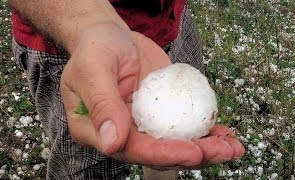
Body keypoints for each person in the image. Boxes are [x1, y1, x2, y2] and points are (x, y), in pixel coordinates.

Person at [9, 0, 245, 179]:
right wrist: (92, 24)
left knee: (171, 154)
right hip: (72, 38)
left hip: (170, 19)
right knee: (89, 166)